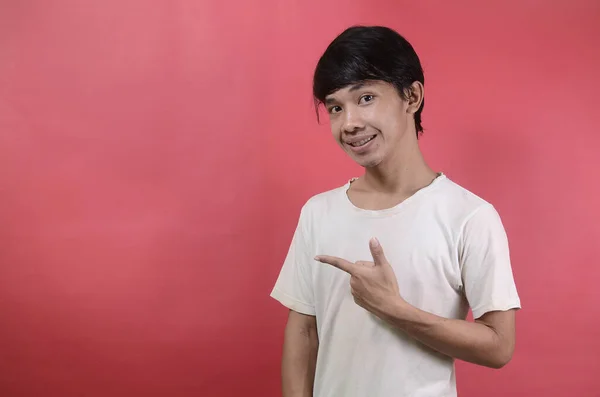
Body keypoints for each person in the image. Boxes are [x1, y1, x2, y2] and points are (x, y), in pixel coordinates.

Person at [269, 25, 521, 397]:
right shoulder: (318, 213)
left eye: (366, 97)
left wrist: (394, 310)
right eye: (336, 107)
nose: (350, 123)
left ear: (412, 96)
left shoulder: (469, 216)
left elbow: (499, 345)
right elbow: (304, 332)